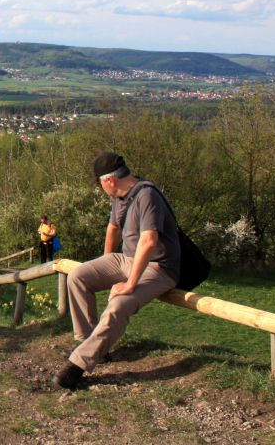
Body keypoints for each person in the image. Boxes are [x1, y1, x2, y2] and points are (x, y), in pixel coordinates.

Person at [52, 152, 181, 390]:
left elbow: (149, 241)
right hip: (126, 259)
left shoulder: (147, 196)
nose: (100, 188)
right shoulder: (121, 197)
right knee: (78, 276)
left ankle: (77, 366)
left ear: (109, 180)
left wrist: (130, 284)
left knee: (119, 304)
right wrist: (104, 264)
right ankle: (88, 344)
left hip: (159, 266)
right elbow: (113, 229)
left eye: (100, 184)